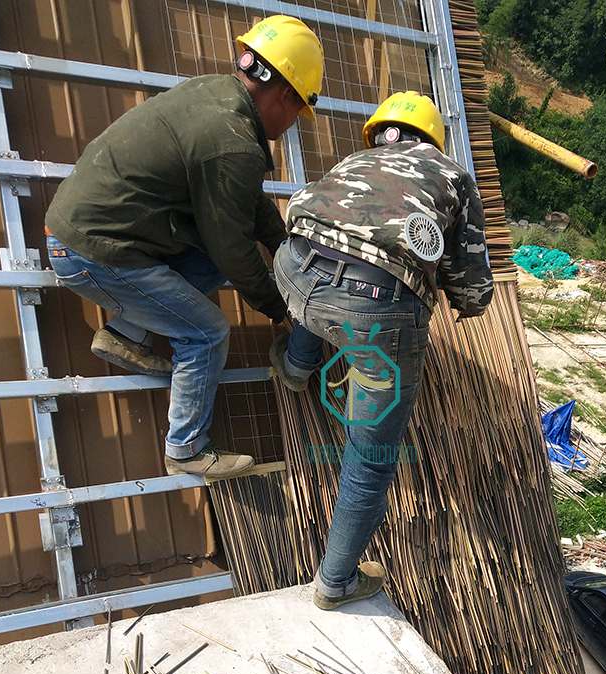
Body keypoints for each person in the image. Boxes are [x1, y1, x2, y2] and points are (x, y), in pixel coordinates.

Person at [44, 15, 324, 482]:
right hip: (94, 252)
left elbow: (245, 202)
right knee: (207, 333)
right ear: (285, 95)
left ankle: (125, 333)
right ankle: (186, 450)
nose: (294, 125)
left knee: (213, 262)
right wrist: (283, 308)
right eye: (299, 114)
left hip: (93, 238)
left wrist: (284, 243)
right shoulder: (232, 141)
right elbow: (233, 248)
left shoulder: (214, 98)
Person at [270, 91, 493, 610]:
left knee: (321, 294)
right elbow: (472, 283)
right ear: (432, 139)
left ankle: (297, 366)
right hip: (375, 308)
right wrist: (460, 298)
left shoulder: (357, 159)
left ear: (381, 132)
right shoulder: (453, 177)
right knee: (369, 461)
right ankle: (336, 582)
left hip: (291, 267)